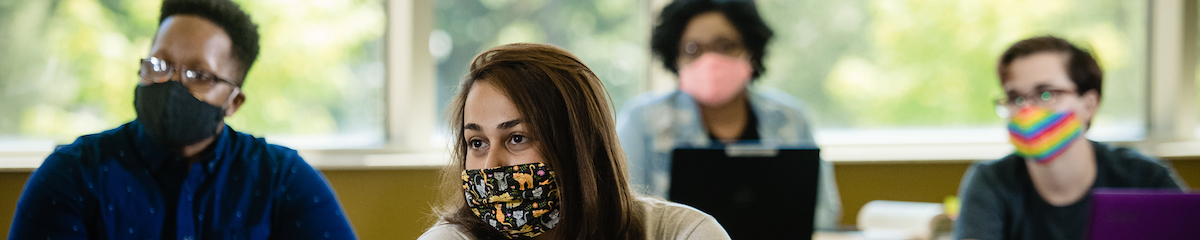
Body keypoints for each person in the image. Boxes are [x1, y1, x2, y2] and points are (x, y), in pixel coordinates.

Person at [8, 0, 356, 239]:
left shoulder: (283, 179)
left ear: (234, 101)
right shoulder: (72, 174)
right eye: (159, 65)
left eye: (199, 75)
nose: (171, 84)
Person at [419, 43, 729, 240]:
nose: (490, 165)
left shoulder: (682, 233)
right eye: (477, 143)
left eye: (516, 138)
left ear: (578, 146)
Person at [616, 0, 842, 230]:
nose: (710, 60)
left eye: (725, 46)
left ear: (751, 50)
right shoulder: (642, 121)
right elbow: (623, 214)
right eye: (692, 49)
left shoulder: (791, 118)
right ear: (674, 57)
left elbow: (824, 212)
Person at [954, 36, 1187, 240]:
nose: (1026, 110)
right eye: (1015, 97)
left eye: (1046, 94)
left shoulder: (1144, 179)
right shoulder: (991, 181)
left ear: (1089, 105)